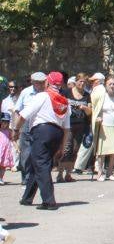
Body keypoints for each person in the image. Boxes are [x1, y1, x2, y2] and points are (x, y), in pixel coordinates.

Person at [14, 71, 71, 209]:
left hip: (42, 131)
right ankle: (27, 198)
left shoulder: (43, 96)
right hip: (57, 133)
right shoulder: (64, 101)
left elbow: (23, 115)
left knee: (41, 164)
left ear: (48, 82)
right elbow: (66, 128)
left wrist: (15, 130)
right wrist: (62, 147)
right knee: (38, 164)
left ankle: (49, 200)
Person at [58, 73, 91, 182]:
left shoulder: (87, 95)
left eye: (84, 82)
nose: (82, 84)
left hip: (81, 125)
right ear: (75, 82)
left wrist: (84, 107)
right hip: (68, 125)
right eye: (80, 81)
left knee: (75, 150)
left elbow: (90, 112)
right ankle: (60, 174)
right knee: (67, 149)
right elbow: (59, 105)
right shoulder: (67, 92)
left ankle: (68, 174)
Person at [91, 76, 114, 181]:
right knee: (102, 151)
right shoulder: (102, 96)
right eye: (110, 84)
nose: (112, 86)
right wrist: (97, 117)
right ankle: (100, 172)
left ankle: (109, 172)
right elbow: (96, 108)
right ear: (106, 85)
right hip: (104, 125)